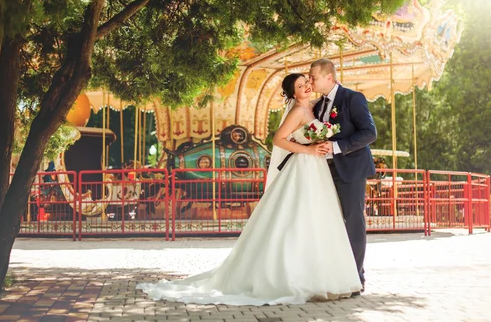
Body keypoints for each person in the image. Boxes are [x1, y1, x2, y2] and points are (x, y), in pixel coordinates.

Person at [136, 73, 362, 305]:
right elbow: (278, 140)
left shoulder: (315, 108)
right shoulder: (297, 111)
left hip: (317, 169)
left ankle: (321, 274)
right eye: (300, 85)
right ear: (293, 93)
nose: (306, 86)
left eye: (307, 82)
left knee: (317, 218)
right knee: (298, 216)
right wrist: (308, 150)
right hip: (304, 165)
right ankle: (292, 275)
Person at [309, 58, 377, 293]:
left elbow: (369, 133)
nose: (311, 81)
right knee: (328, 222)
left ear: (329, 76)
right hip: (324, 171)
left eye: (314, 77)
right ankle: (333, 273)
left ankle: (356, 277)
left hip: (351, 170)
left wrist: (337, 147)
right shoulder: (317, 106)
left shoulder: (352, 98)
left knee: (353, 221)